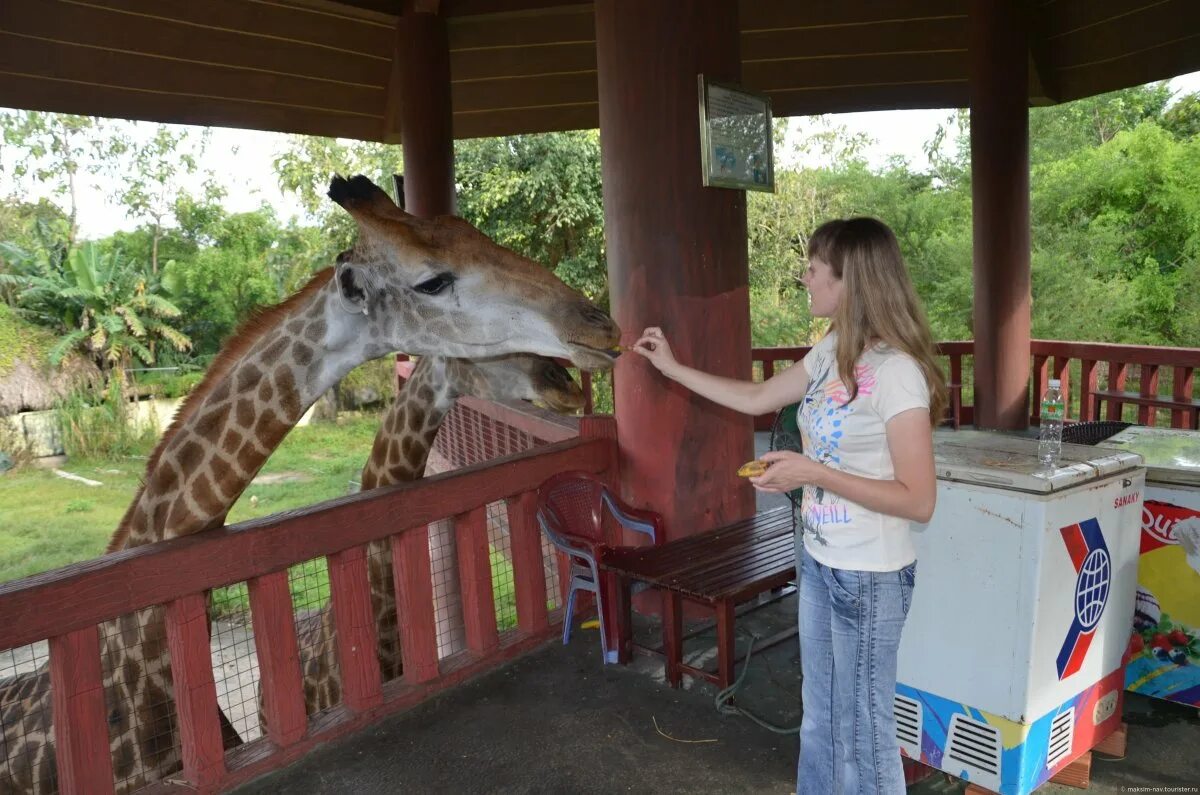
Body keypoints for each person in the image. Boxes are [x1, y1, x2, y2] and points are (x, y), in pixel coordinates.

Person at [633, 217, 948, 795]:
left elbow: (920, 501)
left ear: (848, 279)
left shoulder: (897, 373)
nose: (804, 276)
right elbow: (756, 396)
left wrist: (813, 472)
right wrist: (670, 367)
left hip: (870, 578)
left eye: (812, 268)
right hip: (820, 560)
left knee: (866, 734)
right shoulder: (831, 351)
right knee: (820, 717)